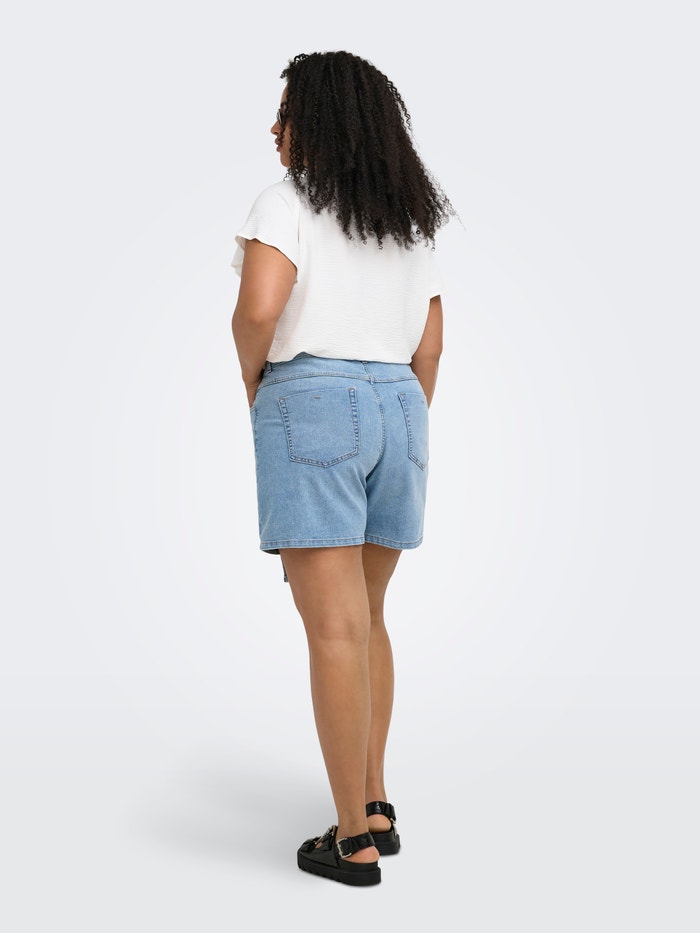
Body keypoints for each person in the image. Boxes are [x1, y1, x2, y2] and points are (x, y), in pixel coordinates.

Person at [231, 50, 453, 886]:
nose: (275, 128)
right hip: (401, 404)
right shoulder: (408, 219)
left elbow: (260, 307)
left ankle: (351, 841)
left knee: (333, 628)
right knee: (369, 616)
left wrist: (256, 385)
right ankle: (376, 802)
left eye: (287, 113)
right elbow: (431, 344)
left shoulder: (284, 202)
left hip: (313, 397)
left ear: (321, 122)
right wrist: (400, 419)